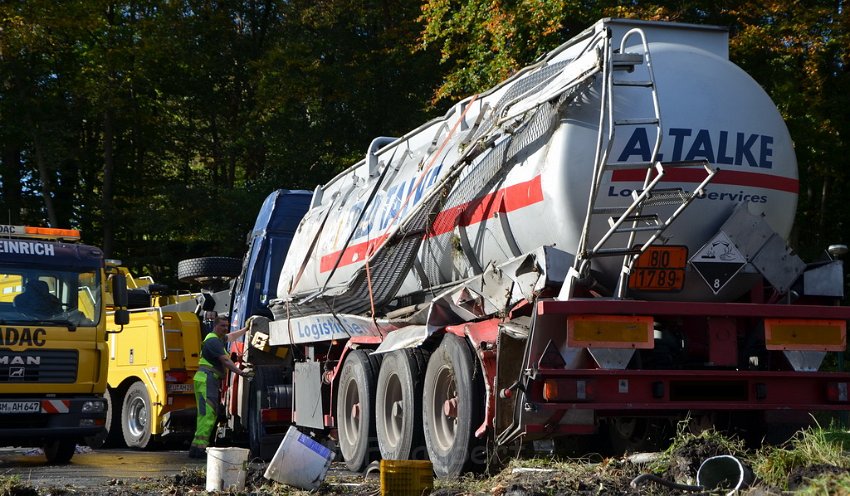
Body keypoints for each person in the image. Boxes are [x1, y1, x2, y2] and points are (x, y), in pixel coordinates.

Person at [189, 315, 253, 458]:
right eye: (222, 326)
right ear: (215, 326)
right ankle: (200, 449)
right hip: (207, 380)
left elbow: (231, 337)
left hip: (206, 380)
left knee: (205, 414)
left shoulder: (217, 339)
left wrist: (246, 329)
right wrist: (241, 372)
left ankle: (196, 448)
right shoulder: (213, 341)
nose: (225, 328)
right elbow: (226, 361)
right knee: (208, 415)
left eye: (226, 325)